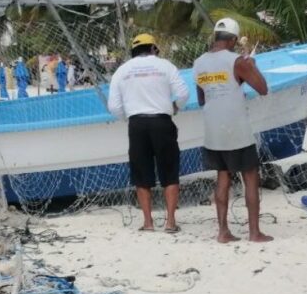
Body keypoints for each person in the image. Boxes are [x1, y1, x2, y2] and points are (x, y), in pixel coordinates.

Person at [193, 18, 272, 243]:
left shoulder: (198, 63)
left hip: (212, 129)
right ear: (234, 39)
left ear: (216, 37)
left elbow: (201, 99)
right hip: (236, 129)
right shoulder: (238, 61)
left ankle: (223, 232)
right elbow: (263, 88)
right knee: (250, 178)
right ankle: (254, 232)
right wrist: (251, 65)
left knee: (222, 178)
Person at [108, 33, 190, 232]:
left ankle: (148, 223)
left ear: (133, 51)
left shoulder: (121, 70)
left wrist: (129, 117)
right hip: (162, 121)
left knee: (141, 175)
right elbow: (183, 94)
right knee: (170, 172)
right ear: (153, 48)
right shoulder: (165, 65)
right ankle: (170, 222)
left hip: (137, 124)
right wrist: (175, 106)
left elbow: (114, 106)